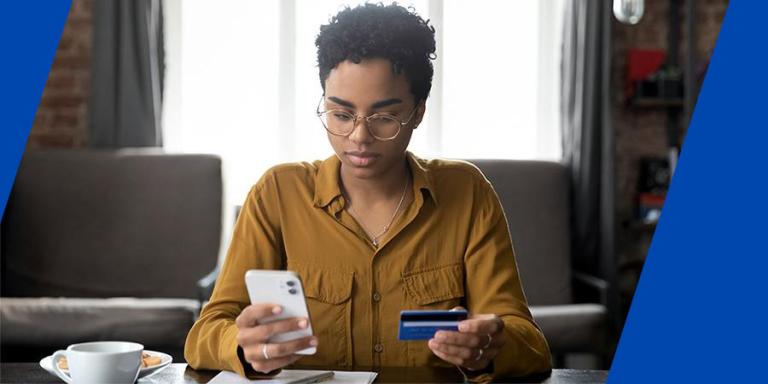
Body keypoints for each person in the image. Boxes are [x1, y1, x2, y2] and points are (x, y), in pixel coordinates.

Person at [184, 3, 552, 381]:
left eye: (384, 118)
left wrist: (488, 348)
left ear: (419, 111)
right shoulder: (278, 193)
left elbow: (531, 346)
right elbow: (205, 333)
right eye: (341, 115)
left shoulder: (468, 193)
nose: (359, 137)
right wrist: (243, 347)